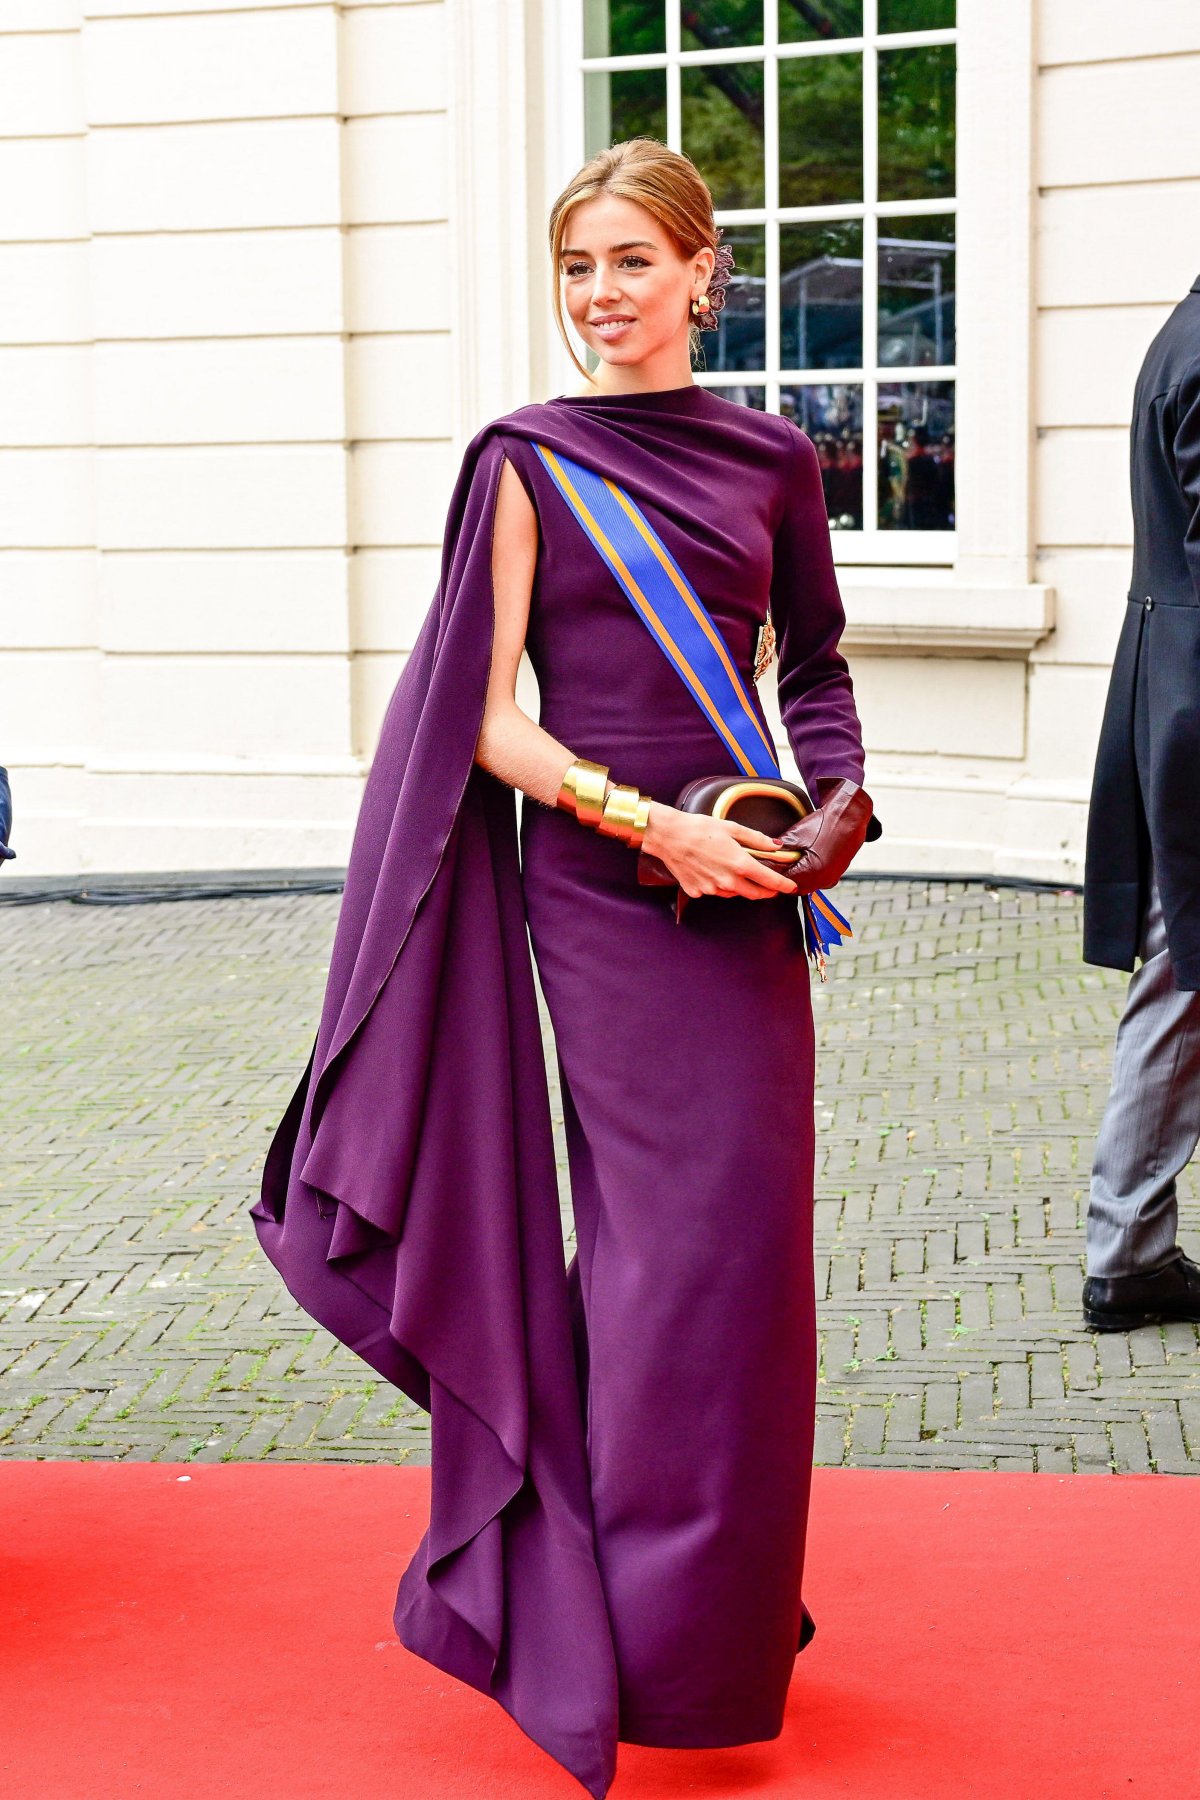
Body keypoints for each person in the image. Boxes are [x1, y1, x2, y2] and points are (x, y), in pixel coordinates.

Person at [250, 138, 876, 1798]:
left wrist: (834, 809)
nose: (603, 296)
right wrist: (641, 825)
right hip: (604, 897)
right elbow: (477, 708)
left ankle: (716, 1626)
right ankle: (608, 1624)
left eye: (631, 263)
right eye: (578, 268)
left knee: (746, 1273)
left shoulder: (770, 459)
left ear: (700, 274)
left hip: (746, 900)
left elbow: (811, 664)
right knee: (665, 1265)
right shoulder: (526, 459)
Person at [1082, 272, 1200, 1332]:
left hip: (1175, 686)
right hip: (1193, 700)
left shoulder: (1182, 331)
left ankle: (1129, 1242)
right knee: (1180, 975)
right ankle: (1124, 1246)